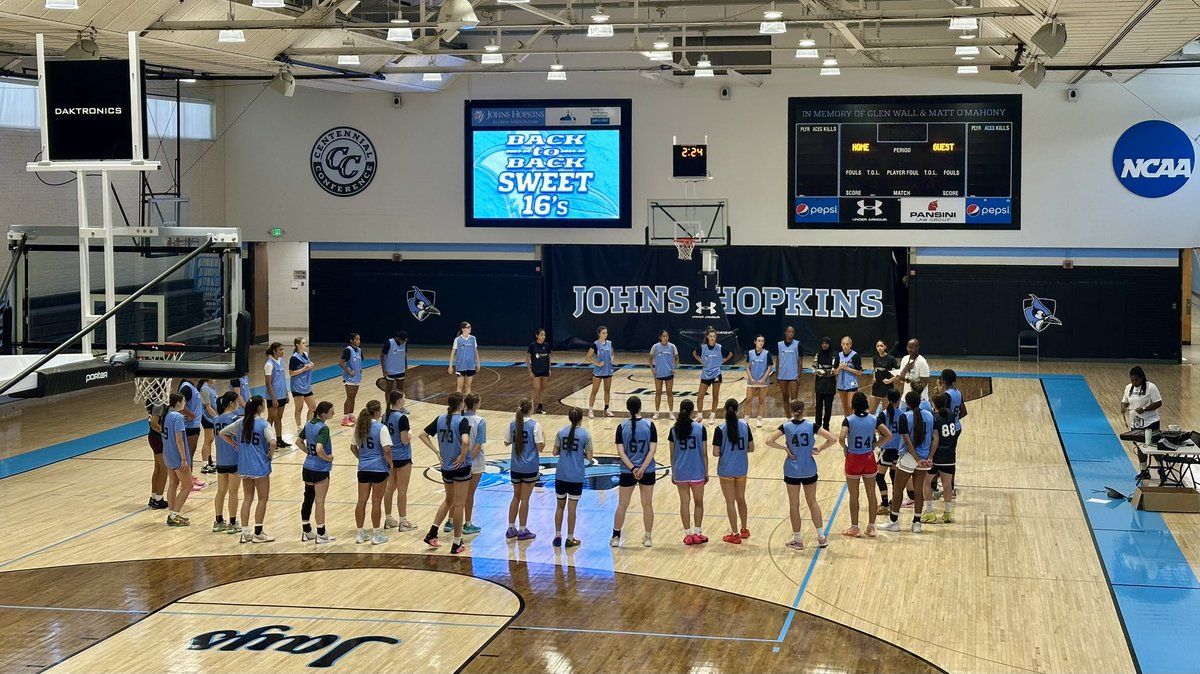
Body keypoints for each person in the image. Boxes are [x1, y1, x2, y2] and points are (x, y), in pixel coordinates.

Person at [767, 399, 838, 550]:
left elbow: (769, 441)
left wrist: (785, 449)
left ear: (791, 411)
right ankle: (821, 537)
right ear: (803, 410)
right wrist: (820, 448)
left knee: (794, 505)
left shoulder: (785, 426)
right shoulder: (811, 425)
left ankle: (798, 540)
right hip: (809, 468)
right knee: (812, 502)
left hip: (792, 470)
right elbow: (832, 439)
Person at [219, 395, 277, 543]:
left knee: (247, 498)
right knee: (263, 498)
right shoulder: (264, 424)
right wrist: (269, 456)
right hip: (259, 466)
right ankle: (258, 532)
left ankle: (245, 532)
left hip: (244, 465)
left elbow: (222, 433)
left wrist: (234, 444)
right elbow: (273, 442)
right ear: (260, 407)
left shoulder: (240, 422)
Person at [419, 393, 472, 554]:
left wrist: (437, 452)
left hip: (446, 467)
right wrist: (463, 456)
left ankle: (432, 533)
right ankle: (457, 542)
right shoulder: (462, 421)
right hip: (460, 467)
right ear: (461, 405)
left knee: (448, 500)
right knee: (459, 504)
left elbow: (422, 435)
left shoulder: (440, 418)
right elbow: (465, 441)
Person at [881, 391, 937, 534]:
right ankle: (917, 523)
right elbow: (935, 438)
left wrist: (916, 459)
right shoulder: (930, 415)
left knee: (898, 489)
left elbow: (907, 440)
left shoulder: (905, 417)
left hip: (910, 457)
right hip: (925, 457)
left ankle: (894, 521)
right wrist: (929, 457)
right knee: (918, 490)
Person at [839, 392, 891, 538]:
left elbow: (841, 437)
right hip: (868, 457)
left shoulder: (848, 420)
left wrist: (845, 448)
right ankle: (871, 527)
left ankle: (855, 528)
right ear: (866, 404)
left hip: (853, 458)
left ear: (853, 405)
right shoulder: (874, 419)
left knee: (854, 495)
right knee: (871, 494)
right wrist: (876, 445)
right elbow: (888, 435)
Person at [612, 396, 657, 548]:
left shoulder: (621, 426)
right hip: (647, 470)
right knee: (647, 505)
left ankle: (616, 537)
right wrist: (642, 468)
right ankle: (648, 537)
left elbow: (621, 452)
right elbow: (652, 450)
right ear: (640, 407)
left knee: (622, 504)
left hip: (627, 470)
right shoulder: (649, 425)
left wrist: (632, 468)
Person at [351, 399, 392, 545]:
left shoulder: (360, 427)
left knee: (361, 501)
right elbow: (387, 450)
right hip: (379, 469)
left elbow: (353, 447)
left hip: (363, 468)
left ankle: (360, 533)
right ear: (378, 412)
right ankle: (376, 534)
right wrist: (391, 464)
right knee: (376, 501)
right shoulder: (382, 428)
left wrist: (362, 458)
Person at [669, 399, 708, 545]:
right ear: (693, 411)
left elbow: (672, 454)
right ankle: (698, 532)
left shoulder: (673, 429)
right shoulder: (700, 428)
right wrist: (706, 471)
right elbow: (704, 453)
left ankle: (687, 534)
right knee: (699, 502)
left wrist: (673, 472)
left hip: (680, 472)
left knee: (684, 503)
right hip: (697, 470)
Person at [714, 398, 754, 543]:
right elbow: (751, 448)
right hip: (741, 467)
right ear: (738, 410)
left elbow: (715, 452)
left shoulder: (720, 428)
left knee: (730, 502)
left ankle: (735, 534)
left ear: (725, 409)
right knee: (741, 499)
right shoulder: (745, 426)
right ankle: (744, 529)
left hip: (726, 469)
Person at [504, 398, 544, 541]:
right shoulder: (535, 425)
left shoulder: (512, 424)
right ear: (531, 409)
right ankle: (522, 530)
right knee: (525, 499)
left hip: (515, 466)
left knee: (516, 496)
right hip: (529, 467)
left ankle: (510, 528)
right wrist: (543, 438)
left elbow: (506, 442)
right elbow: (540, 447)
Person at [553, 408, 592, 548]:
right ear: (581, 418)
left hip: (561, 474)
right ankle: (570, 538)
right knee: (572, 509)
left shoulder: (561, 432)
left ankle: (557, 536)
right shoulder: (585, 434)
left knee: (559, 507)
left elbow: (554, 452)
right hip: (576, 476)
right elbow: (589, 457)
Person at [299, 400, 336, 543]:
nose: (333, 413)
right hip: (320, 469)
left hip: (307, 467)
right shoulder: (323, 429)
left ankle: (307, 531)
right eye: (331, 412)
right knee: (319, 502)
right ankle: (321, 534)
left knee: (308, 498)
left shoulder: (309, 423)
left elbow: (298, 441)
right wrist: (328, 458)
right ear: (323, 414)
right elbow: (320, 448)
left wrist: (309, 453)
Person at [382, 390, 417, 533]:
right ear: (398, 401)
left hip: (390, 456)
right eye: (403, 398)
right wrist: (410, 433)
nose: (405, 400)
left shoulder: (385, 416)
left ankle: (389, 519)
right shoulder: (402, 418)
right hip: (402, 456)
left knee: (390, 488)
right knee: (402, 490)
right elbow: (404, 439)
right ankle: (403, 521)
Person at [931, 369, 967, 499]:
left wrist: (937, 395)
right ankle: (950, 488)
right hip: (956, 428)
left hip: (944, 429)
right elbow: (964, 411)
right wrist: (954, 420)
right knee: (951, 457)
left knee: (937, 457)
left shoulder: (946, 395)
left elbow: (941, 413)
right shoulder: (958, 392)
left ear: (943, 380)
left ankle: (934, 487)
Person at [1122, 365, 1163, 478]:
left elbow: (1158, 403)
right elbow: (1125, 401)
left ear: (1142, 378)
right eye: (1132, 380)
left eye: (1136, 380)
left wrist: (1144, 409)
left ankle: (1161, 469)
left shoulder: (1151, 387)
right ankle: (1144, 471)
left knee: (1153, 446)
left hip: (1151, 422)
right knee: (1140, 447)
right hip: (1136, 423)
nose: (1134, 382)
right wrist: (1123, 407)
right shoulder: (1128, 388)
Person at [924, 393, 958, 524]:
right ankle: (947, 513)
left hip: (938, 454)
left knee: (926, 483)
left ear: (934, 404)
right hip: (950, 454)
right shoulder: (950, 415)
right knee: (947, 485)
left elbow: (935, 439)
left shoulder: (934, 418)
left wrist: (930, 456)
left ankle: (929, 512)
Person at [455, 393, 487, 535]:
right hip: (474, 462)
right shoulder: (480, 421)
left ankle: (450, 521)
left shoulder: (458, 419)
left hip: (459, 461)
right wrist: (468, 459)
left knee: (455, 495)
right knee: (469, 494)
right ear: (475, 405)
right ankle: (467, 523)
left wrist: (462, 458)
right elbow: (478, 445)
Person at [210, 392, 241, 535]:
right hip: (234, 459)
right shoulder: (235, 419)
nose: (239, 403)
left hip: (221, 459)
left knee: (221, 491)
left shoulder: (216, 419)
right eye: (237, 401)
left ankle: (218, 521)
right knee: (233, 492)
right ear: (231, 403)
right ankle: (233, 523)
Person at [161, 393, 194, 527]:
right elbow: (179, 440)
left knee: (173, 484)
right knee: (188, 486)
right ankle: (174, 515)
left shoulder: (166, 416)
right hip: (176, 455)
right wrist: (184, 459)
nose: (185, 404)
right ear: (178, 403)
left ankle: (172, 513)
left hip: (167, 454)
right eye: (183, 401)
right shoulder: (178, 417)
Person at [874, 390, 904, 515]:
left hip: (887, 449)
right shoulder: (903, 414)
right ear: (899, 399)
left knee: (879, 476)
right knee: (894, 477)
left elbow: (878, 430)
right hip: (899, 449)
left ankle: (885, 503)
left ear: (887, 398)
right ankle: (893, 503)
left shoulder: (883, 415)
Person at [694, 328, 733, 422]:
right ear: (707, 337)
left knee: (715, 396)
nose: (712, 338)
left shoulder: (719, 347)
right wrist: (701, 361)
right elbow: (694, 353)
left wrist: (723, 361)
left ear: (716, 337)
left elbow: (730, 354)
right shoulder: (703, 347)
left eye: (714, 336)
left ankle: (712, 415)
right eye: (710, 336)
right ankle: (699, 415)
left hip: (716, 374)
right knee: (700, 396)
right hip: (706, 374)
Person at [178, 378, 206, 490]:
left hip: (194, 426)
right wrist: (191, 415)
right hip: (189, 426)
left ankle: (189, 477)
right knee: (188, 455)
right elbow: (179, 404)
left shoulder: (190, 386)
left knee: (190, 455)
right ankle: (186, 483)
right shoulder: (186, 388)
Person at [263, 343, 290, 447]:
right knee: (271, 417)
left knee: (279, 417)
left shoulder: (282, 361)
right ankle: (267, 440)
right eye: (280, 350)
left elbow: (283, 379)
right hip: (273, 396)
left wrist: (286, 393)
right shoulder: (269, 364)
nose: (282, 351)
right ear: (274, 351)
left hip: (282, 394)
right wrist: (273, 398)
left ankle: (279, 439)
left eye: (282, 349)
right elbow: (268, 383)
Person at [745, 335, 774, 428]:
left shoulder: (767, 353)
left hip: (763, 381)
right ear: (755, 342)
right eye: (759, 341)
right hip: (752, 381)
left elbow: (769, 368)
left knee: (761, 400)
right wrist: (750, 378)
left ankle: (759, 419)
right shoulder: (750, 353)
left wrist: (764, 379)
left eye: (762, 341)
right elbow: (747, 367)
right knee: (748, 400)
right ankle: (746, 419)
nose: (761, 342)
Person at [649, 330, 680, 420]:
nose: (665, 338)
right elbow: (650, 359)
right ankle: (657, 412)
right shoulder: (655, 347)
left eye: (667, 336)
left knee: (669, 393)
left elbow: (677, 358)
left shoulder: (672, 346)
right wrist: (652, 369)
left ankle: (671, 412)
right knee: (658, 392)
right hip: (658, 373)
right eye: (664, 336)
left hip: (669, 373)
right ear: (660, 337)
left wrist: (674, 368)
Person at [290, 337, 317, 436]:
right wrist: (304, 369)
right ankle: (299, 427)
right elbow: (291, 373)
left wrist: (310, 365)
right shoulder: (294, 358)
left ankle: (308, 425)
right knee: (299, 408)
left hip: (306, 385)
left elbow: (307, 365)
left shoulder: (305, 355)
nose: (305, 345)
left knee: (313, 407)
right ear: (297, 345)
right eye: (303, 343)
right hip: (298, 385)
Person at [586, 326, 615, 418]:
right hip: (598, 371)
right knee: (594, 390)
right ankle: (590, 410)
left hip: (608, 370)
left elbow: (612, 353)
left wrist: (612, 359)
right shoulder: (595, 344)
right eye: (603, 333)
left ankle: (606, 409)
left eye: (606, 333)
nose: (605, 335)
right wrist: (597, 363)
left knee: (607, 390)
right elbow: (588, 357)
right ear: (599, 334)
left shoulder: (609, 343)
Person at [145, 402, 168, 510]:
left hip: (154, 438)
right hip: (157, 438)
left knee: (158, 468)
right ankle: (158, 498)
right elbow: (154, 423)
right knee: (164, 468)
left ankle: (153, 497)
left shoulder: (155, 403)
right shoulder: (158, 405)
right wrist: (164, 433)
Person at [835, 336, 864, 420]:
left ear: (850, 345)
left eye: (847, 344)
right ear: (841, 344)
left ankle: (853, 423)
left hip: (851, 384)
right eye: (843, 344)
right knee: (845, 407)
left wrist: (847, 368)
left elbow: (859, 372)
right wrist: (840, 367)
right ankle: (847, 425)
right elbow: (835, 372)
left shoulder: (855, 355)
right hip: (841, 384)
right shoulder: (838, 355)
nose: (845, 346)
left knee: (850, 406)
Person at [869, 339, 900, 414]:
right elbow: (875, 369)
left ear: (885, 347)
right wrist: (873, 377)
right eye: (878, 346)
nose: (879, 348)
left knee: (887, 412)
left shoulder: (891, 359)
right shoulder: (875, 358)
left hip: (887, 388)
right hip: (876, 387)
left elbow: (898, 374)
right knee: (871, 411)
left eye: (881, 346)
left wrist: (890, 380)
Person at [812, 337, 837, 431]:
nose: (824, 345)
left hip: (830, 385)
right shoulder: (818, 355)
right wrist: (825, 371)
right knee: (818, 406)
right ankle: (817, 426)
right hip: (819, 385)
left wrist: (821, 371)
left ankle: (826, 425)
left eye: (826, 343)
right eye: (822, 343)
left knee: (828, 406)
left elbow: (834, 370)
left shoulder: (834, 355)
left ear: (829, 344)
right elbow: (814, 369)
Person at [339, 333, 363, 427]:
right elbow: (341, 363)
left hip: (357, 377)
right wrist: (348, 371)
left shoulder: (359, 350)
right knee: (349, 396)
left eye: (359, 339)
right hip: (349, 378)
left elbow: (359, 361)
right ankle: (345, 418)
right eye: (356, 339)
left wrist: (360, 368)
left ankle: (350, 415)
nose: (358, 341)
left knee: (353, 397)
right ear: (351, 340)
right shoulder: (348, 350)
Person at [448, 322, 480, 395]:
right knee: (459, 387)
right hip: (460, 366)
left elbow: (476, 351)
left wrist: (478, 363)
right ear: (463, 329)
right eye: (468, 327)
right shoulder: (457, 340)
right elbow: (452, 353)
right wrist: (450, 366)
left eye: (470, 327)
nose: (469, 328)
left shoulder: (473, 338)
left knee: (468, 387)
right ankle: (458, 404)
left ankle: (468, 404)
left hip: (471, 366)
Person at [527, 329, 552, 414]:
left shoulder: (547, 346)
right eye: (541, 335)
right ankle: (530, 407)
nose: (543, 337)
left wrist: (549, 369)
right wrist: (530, 371)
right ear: (537, 336)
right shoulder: (532, 346)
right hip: (536, 371)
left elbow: (549, 358)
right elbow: (527, 359)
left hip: (545, 370)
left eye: (544, 335)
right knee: (536, 389)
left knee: (542, 389)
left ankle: (540, 406)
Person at [776, 326, 801, 410]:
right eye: (789, 331)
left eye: (792, 332)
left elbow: (800, 361)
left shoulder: (797, 344)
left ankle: (795, 417)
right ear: (785, 332)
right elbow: (777, 360)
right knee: (785, 398)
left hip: (793, 375)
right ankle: (788, 418)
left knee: (794, 399)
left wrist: (799, 376)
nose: (791, 333)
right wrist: (777, 375)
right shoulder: (779, 344)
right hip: (782, 375)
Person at [198, 379, 219, 475]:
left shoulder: (211, 387)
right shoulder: (205, 390)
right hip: (207, 417)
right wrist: (217, 418)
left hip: (212, 417)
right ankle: (204, 464)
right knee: (208, 440)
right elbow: (208, 407)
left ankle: (209, 462)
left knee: (210, 440)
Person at [380, 331, 408, 400]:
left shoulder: (404, 343)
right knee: (389, 390)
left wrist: (406, 365)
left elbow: (405, 354)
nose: (404, 342)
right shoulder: (389, 343)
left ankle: (400, 406)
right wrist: (383, 370)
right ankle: (388, 407)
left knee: (400, 390)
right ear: (398, 338)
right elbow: (382, 355)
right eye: (403, 340)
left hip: (401, 370)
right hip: (390, 370)